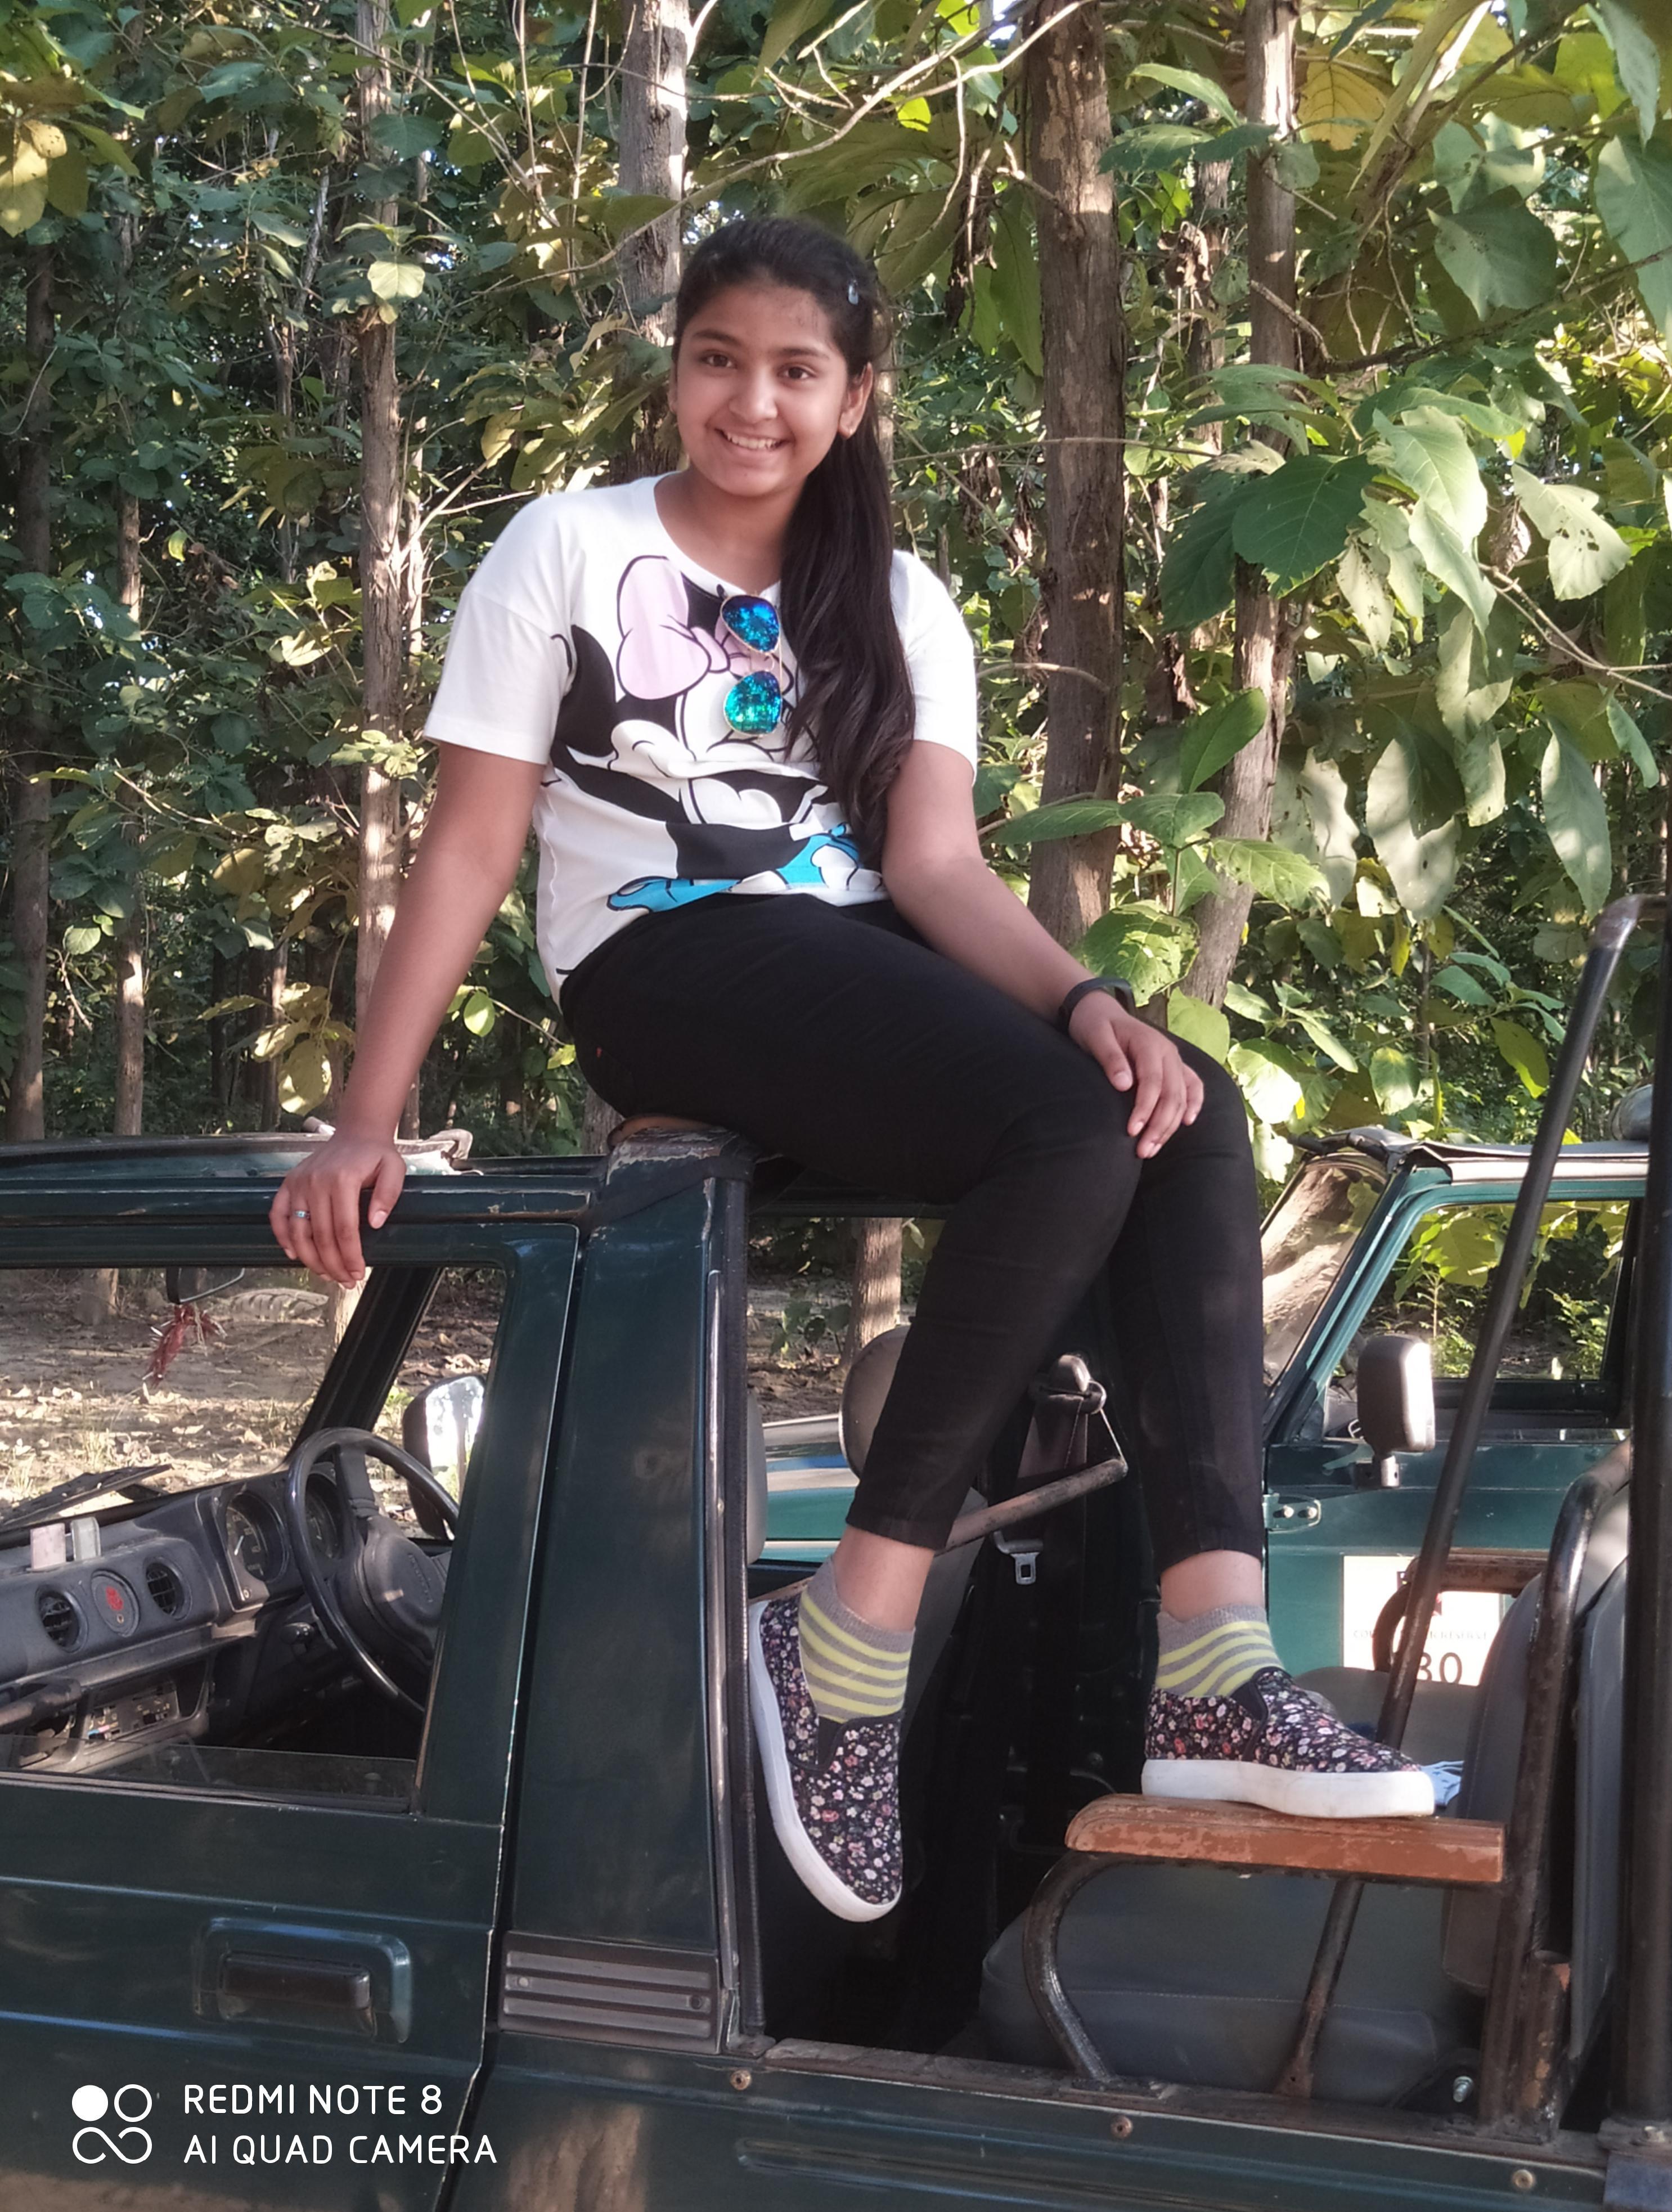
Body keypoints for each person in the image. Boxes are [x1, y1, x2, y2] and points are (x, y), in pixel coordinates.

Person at [270, 214, 1431, 1925]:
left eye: (795, 371)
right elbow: (471, 843)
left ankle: (1214, 1664)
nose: (751, 402)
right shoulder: (568, 548)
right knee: (1066, 1129)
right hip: (662, 961)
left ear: (854, 396)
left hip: (857, 971)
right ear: (677, 368)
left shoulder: (898, 599)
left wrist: (1093, 1000)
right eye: (718, 360)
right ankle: (847, 1645)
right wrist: (366, 1118)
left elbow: (937, 869)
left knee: (1174, 1114)